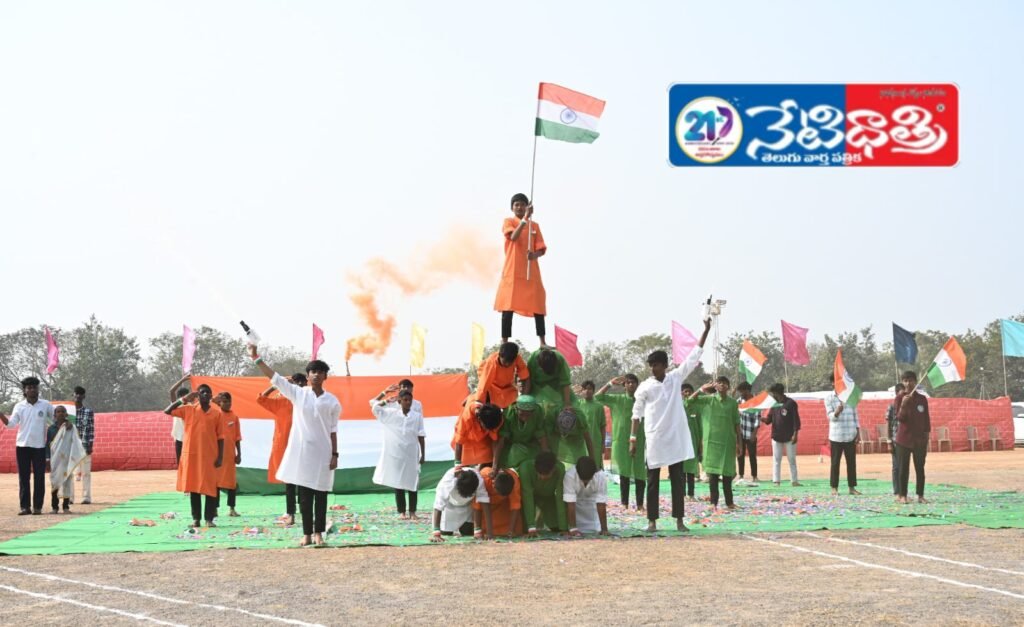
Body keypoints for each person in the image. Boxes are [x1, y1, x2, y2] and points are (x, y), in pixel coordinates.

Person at [249, 345, 341, 547]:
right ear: (308, 376)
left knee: (321, 496)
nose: (316, 375)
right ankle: (307, 534)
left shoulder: (332, 402)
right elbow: (275, 378)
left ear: (325, 376)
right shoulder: (299, 394)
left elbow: (333, 430)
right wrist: (256, 357)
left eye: (320, 372)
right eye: (312, 371)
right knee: (305, 497)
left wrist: (335, 454)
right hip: (302, 454)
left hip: (324, 454)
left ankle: (319, 534)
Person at [632, 318, 711, 533]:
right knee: (653, 482)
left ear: (665, 365)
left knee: (678, 481)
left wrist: (706, 330)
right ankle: (652, 521)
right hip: (655, 439)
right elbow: (636, 413)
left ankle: (679, 520)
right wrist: (633, 439)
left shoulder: (675, 378)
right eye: (650, 365)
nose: (653, 368)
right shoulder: (645, 387)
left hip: (675, 438)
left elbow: (694, 356)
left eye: (656, 365)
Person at [165, 384, 224, 528]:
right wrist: (184, 399)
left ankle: (209, 519)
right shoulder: (188, 409)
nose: (205, 394)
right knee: (194, 488)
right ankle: (196, 519)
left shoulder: (217, 414)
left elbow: (221, 437)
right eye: (202, 392)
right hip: (191, 456)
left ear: (211, 396)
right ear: (197, 395)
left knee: (210, 488)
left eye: (207, 392)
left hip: (209, 456)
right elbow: (167, 411)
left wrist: (220, 457)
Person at [493, 193, 548, 347]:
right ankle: (505, 341)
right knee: (508, 306)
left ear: (527, 207)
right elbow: (513, 237)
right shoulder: (509, 222)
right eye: (516, 204)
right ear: (512, 207)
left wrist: (534, 255)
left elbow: (541, 249)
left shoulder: (534, 226)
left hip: (531, 271)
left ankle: (542, 341)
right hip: (513, 270)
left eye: (522, 204)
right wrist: (524, 220)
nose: (519, 207)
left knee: (538, 304)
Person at [256, 373, 307, 525]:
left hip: (303, 446)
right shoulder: (281, 401)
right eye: (295, 382)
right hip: (285, 447)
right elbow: (261, 399)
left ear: (305, 384)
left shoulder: (309, 400)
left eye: (301, 382)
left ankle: (305, 512)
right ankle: (291, 513)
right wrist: (276, 385)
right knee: (290, 482)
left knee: (304, 482)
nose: (297, 385)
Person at [1, 377, 55, 515]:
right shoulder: (19, 406)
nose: (32, 390)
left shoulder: (45, 404)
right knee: (24, 477)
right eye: (29, 387)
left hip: (39, 447)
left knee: (39, 477)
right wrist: (1, 415)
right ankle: (25, 507)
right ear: (24, 390)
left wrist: (66, 423)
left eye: (34, 387)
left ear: (38, 389)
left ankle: (38, 507)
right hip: (22, 446)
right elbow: (11, 424)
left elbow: (56, 418)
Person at [371, 384, 426, 519]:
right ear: (399, 401)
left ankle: (412, 512)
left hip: (412, 453)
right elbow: (375, 407)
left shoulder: (416, 416)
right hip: (396, 453)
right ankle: (401, 512)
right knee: (398, 482)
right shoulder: (390, 414)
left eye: (410, 400)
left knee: (413, 482)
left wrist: (423, 454)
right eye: (405, 400)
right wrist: (386, 398)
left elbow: (421, 434)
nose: (408, 402)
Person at [688, 378, 741, 510]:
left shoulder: (733, 403)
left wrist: (739, 443)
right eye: (719, 383)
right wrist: (701, 389)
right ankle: (713, 503)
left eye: (725, 383)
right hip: (711, 444)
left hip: (728, 443)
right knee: (713, 475)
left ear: (728, 387)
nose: (722, 385)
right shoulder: (708, 400)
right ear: (715, 386)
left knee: (728, 475)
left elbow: (737, 423)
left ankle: (729, 503)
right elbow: (689, 401)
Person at [595, 374, 646, 510]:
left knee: (640, 472)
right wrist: (610, 383)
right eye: (628, 383)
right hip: (621, 441)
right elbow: (597, 397)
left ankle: (640, 504)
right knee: (624, 473)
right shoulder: (617, 399)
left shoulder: (643, 401)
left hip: (640, 440)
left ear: (637, 385)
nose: (631, 385)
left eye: (633, 382)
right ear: (624, 386)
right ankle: (624, 503)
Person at [894, 371, 930, 504]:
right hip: (903, 440)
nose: (908, 383)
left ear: (915, 382)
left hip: (920, 440)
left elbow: (926, 419)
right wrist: (904, 404)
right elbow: (899, 418)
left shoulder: (922, 399)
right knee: (903, 468)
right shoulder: (899, 398)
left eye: (910, 380)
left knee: (920, 468)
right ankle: (903, 495)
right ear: (903, 382)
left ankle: (920, 495)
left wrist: (926, 435)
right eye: (905, 381)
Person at [430, 465, 490, 541]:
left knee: (468, 532)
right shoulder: (448, 481)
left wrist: (488, 533)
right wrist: (436, 533)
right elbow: (438, 506)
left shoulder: (478, 480)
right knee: (445, 532)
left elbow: (484, 502)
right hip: (449, 507)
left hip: (467, 507)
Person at [824, 374, 861, 496]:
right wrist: (837, 412)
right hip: (836, 436)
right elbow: (830, 417)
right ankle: (834, 487)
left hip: (850, 434)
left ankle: (852, 488)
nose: (840, 383)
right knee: (835, 463)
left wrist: (858, 432)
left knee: (852, 463)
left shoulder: (850, 396)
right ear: (832, 383)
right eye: (836, 381)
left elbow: (856, 415)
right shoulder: (829, 398)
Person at [493, 394, 549, 471]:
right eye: (522, 414)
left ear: (533, 411)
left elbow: (541, 435)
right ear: (516, 409)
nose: (525, 418)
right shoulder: (509, 414)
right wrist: (494, 465)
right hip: (511, 448)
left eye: (528, 415)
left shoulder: (538, 412)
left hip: (529, 446)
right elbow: (501, 440)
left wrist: (546, 458)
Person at [46, 406, 85, 514]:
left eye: (63, 412)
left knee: (67, 481)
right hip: (55, 460)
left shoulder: (71, 427)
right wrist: (47, 459)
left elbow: (75, 442)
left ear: (66, 414)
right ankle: (54, 507)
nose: (61, 413)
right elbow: (48, 444)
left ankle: (66, 506)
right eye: (58, 412)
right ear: (54, 415)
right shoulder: (51, 429)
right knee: (55, 482)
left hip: (67, 459)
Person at [519, 451, 567, 536]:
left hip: (548, 499)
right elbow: (527, 495)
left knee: (557, 527)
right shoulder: (525, 468)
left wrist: (564, 528)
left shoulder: (560, 469)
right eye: (539, 474)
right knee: (523, 530)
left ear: (554, 469)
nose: (542, 477)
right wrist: (531, 527)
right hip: (528, 501)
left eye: (546, 474)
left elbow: (560, 497)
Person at [763, 383, 801, 487]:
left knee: (791, 459)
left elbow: (796, 420)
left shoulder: (791, 403)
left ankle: (794, 481)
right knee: (776, 459)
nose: (772, 395)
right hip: (776, 436)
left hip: (789, 437)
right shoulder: (774, 404)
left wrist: (795, 434)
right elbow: (768, 420)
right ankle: (776, 481)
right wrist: (761, 418)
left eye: (773, 393)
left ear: (777, 393)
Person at [475, 342, 531, 409]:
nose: (507, 364)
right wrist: (478, 405)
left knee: (513, 405)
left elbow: (526, 378)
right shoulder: (492, 363)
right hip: (491, 385)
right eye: (505, 362)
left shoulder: (517, 358)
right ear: (500, 355)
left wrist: (523, 398)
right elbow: (483, 385)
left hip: (507, 387)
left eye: (510, 362)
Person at [563, 456, 609, 536]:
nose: (585, 482)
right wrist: (573, 528)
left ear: (594, 473)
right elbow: (570, 503)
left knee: (596, 529)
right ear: (577, 471)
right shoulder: (570, 475)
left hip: (592, 509)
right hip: (575, 509)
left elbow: (601, 504)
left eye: (588, 479)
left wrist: (604, 529)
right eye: (582, 479)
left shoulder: (600, 476)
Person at [214, 392, 243, 517]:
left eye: (229, 401)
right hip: (217, 456)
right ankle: (214, 509)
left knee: (231, 483)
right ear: (219, 402)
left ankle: (232, 508)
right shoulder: (215, 415)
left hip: (230, 455)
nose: (227, 404)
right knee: (216, 483)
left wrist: (239, 454)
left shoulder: (234, 417)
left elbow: (237, 437)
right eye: (224, 401)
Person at [451, 400, 504, 466]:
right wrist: (457, 465)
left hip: (484, 439)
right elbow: (459, 441)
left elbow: (495, 440)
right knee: (464, 462)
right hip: (467, 440)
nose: (488, 429)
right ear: (479, 419)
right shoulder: (467, 417)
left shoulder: (497, 418)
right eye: (486, 427)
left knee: (488, 461)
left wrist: (495, 465)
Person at [474, 467, 522, 538]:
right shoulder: (483, 478)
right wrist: (477, 530)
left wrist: (511, 531)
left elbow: (515, 505)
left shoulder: (513, 480)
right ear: (493, 484)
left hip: (504, 508)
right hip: (487, 510)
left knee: (517, 530)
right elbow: (476, 505)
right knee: (483, 533)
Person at [573, 381, 607, 469]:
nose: (587, 391)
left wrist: (603, 443)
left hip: (595, 441)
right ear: (581, 391)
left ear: (593, 391)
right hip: (581, 441)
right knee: (581, 466)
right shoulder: (577, 404)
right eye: (584, 389)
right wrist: (573, 392)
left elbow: (602, 426)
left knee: (595, 465)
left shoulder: (599, 406)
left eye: (590, 389)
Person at [735, 382, 761, 487]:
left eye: (742, 391)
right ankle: (741, 476)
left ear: (747, 390)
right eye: (739, 391)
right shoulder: (738, 402)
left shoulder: (756, 402)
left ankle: (754, 476)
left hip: (751, 432)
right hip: (740, 433)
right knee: (740, 454)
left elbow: (757, 419)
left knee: (752, 455)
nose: (740, 393)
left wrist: (754, 434)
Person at [72, 386, 95, 504]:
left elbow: (91, 429)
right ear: (73, 395)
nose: (78, 396)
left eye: (81, 394)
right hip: (70, 446)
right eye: (76, 394)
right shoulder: (69, 412)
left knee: (86, 472)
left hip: (84, 445)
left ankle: (86, 497)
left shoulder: (88, 412)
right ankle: (69, 497)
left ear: (84, 396)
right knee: (69, 473)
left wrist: (90, 445)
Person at [680, 383, 702, 500]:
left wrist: (700, 443)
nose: (687, 394)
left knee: (692, 470)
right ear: (681, 394)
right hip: (681, 444)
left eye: (689, 391)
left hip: (693, 442)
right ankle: (682, 494)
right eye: (685, 392)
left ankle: (691, 494)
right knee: (682, 470)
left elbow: (700, 426)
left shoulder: (696, 408)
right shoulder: (679, 407)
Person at [168, 374, 191, 466]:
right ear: (180, 397)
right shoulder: (176, 406)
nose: (186, 397)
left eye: (187, 395)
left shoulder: (191, 406)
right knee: (180, 463)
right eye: (184, 396)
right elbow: (171, 391)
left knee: (189, 462)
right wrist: (183, 380)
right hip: (179, 437)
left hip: (190, 437)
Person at [885, 384, 904, 495]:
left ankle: (903, 491)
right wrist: (889, 441)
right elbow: (888, 424)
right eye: (902, 391)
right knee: (896, 466)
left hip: (906, 440)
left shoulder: (907, 406)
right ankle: (897, 491)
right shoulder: (892, 407)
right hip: (895, 440)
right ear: (897, 392)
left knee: (904, 467)